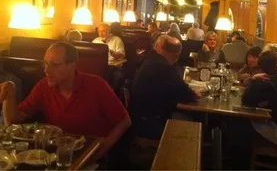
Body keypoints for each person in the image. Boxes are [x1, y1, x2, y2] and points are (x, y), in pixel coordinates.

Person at [0, 42, 131, 161]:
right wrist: (10, 94)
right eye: (45, 63)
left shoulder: (96, 85)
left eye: (54, 65)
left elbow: (124, 121)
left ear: (72, 65)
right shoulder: (43, 86)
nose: (46, 70)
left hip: (90, 154)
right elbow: (13, 121)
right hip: (58, 154)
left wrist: (100, 152)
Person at [130, 35, 198, 139]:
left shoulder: (151, 59)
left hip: (139, 116)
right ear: (177, 55)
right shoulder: (163, 66)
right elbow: (187, 95)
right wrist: (195, 93)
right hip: (150, 122)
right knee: (194, 121)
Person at [242, 51, 277, 148]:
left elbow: (246, 99)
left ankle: (238, 156)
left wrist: (253, 79)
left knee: (240, 124)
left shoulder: (269, 83)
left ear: (261, 68)